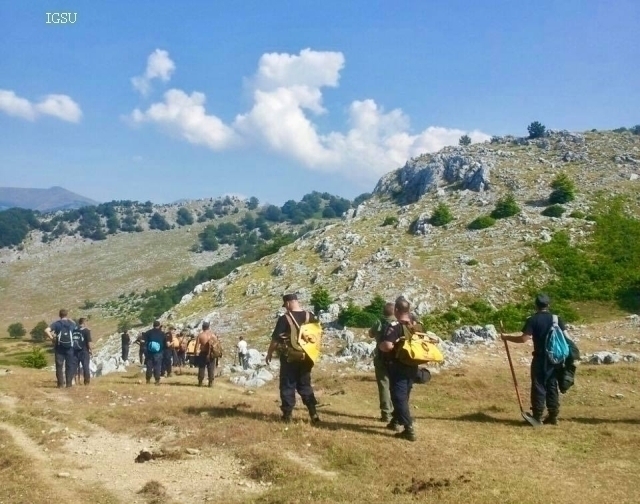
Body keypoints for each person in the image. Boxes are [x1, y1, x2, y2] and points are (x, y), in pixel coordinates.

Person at [501, 294, 568, 425]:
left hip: (540, 358)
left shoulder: (533, 320)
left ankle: (537, 417)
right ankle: (553, 415)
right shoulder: (556, 319)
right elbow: (567, 337)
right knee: (552, 385)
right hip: (555, 359)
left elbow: (523, 339)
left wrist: (506, 337)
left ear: (536, 305)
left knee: (538, 385)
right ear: (548, 305)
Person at [266, 293, 320, 424]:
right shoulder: (310, 316)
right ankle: (313, 413)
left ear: (289, 303)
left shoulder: (285, 319)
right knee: (305, 384)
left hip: (289, 358)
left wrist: (269, 353)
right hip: (307, 357)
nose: (286, 308)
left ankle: (287, 415)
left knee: (287, 385)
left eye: (286, 305)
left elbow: (275, 340)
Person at [378, 297, 419, 441]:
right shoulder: (415, 324)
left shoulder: (395, 325)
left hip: (398, 366)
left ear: (396, 310)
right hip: (413, 364)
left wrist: (381, 346)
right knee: (405, 393)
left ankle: (409, 429)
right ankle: (395, 421)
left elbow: (388, 346)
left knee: (398, 397)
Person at [368, 302, 395, 422]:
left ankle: (386, 414)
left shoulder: (379, 322)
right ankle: (398, 412)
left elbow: (370, 334)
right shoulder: (399, 323)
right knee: (396, 386)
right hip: (397, 359)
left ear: (383, 312)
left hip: (381, 357)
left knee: (384, 385)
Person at [44, 309, 78, 388]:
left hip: (59, 348)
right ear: (67, 314)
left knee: (59, 366)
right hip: (70, 348)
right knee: (69, 366)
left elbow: (46, 330)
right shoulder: (71, 324)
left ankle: (60, 385)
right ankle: (69, 384)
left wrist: (52, 338)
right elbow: (76, 328)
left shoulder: (57, 324)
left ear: (59, 315)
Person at [195, 321, 218, 387]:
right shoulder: (213, 335)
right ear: (208, 327)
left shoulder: (200, 335)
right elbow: (216, 344)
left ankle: (200, 382)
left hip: (203, 353)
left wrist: (195, 353)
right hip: (211, 354)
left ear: (203, 327)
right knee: (211, 368)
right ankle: (210, 382)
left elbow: (196, 346)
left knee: (202, 367)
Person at [143, 320, 166, 385]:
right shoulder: (162, 333)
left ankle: (148, 380)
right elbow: (165, 344)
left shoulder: (148, 333)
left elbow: (144, 342)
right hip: (159, 352)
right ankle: (157, 380)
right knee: (157, 366)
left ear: (153, 325)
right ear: (159, 326)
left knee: (149, 366)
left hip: (149, 352)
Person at [76, 317, 92, 385]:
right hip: (84, 351)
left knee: (75, 367)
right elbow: (89, 342)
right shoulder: (86, 331)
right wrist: (91, 350)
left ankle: (74, 381)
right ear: (84, 322)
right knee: (85, 366)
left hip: (75, 351)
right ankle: (86, 382)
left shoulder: (75, 330)